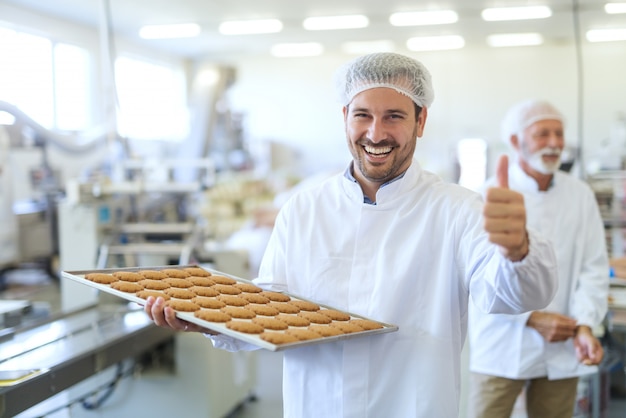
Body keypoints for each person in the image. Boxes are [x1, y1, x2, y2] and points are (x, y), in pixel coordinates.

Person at [145, 52, 558, 418]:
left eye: (394, 116)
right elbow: (269, 309)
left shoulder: (457, 211)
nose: (376, 133)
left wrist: (518, 250)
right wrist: (210, 321)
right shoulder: (304, 210)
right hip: (319, 405)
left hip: (412, 406)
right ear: (345, 116)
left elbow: (510, 296)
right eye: (363, 115)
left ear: (421, 120)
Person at [467, 99, 609, 418]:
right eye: (543, 133)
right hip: (501, 344)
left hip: (563, 344)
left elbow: (594, 267)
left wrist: (586, 324)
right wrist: (529, 318)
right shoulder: (488, 194)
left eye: (559, 133)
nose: (555, 143)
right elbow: (476, 277)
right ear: (516, 141)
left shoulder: (580, 195)